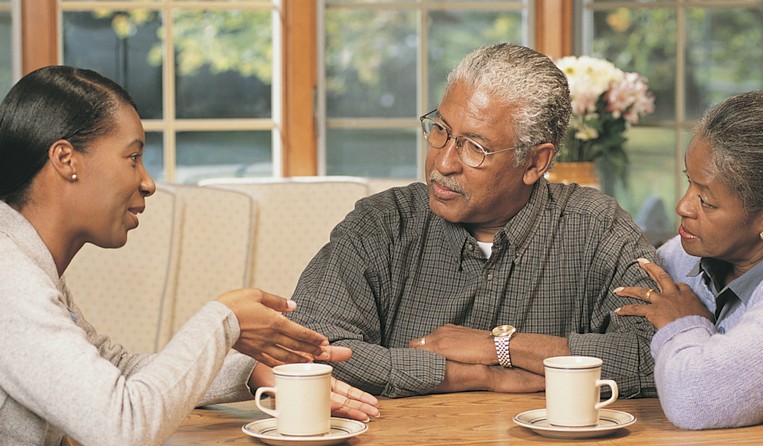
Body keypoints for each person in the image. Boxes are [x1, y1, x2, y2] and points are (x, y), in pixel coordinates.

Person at [0, 66, 379, 445]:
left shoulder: (27, 263)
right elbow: (120, 427)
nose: (148, 182)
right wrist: (224, 320)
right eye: (133, 157)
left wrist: (253, 372)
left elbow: (114, 370)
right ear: (66, 160)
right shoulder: (10, 279)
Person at [289, 43, 659, 398]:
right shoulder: (381, 225)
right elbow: (304, 349)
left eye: (475, 147)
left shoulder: (597, 228)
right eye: (440, 130)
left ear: (534, 162)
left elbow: (658, 356)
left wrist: (500, 346)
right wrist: (473, 375)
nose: (443, 163)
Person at [613, 91, 763, 442]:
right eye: (688, 180)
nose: (682, 206)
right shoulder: (694, 253)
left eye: (706, 201)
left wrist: (683, 323)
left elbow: (694, 400)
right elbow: (614, 331)